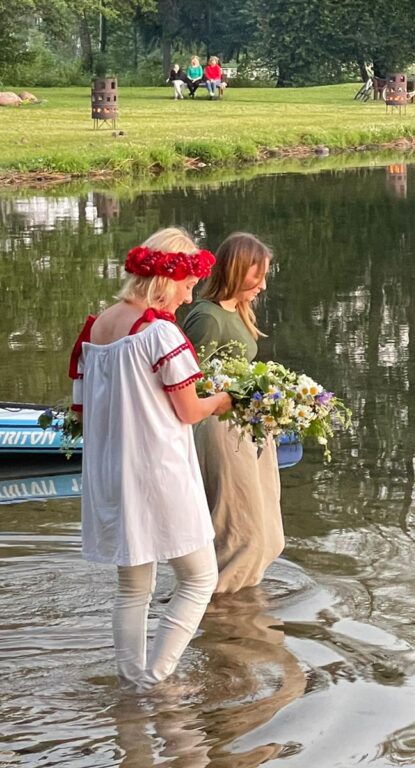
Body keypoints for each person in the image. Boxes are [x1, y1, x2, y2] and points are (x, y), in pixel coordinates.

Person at [70, 227, 232, 693]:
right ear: (167, 278)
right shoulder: (159, 333)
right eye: (186, 285)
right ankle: (156, 681)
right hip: (158, 472)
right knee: (200, 578)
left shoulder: (96, 328)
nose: (188, 296)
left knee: (133, 587)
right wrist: (223, 399)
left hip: (111, 474)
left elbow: (82, 409)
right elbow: (189, 410)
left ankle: (130, 682)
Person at [182, 233, 283, 594]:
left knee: (269, 534)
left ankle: (238, 612)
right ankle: (211, 606)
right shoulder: (206, 317)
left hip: (247, 428)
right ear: (238, 270)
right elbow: (184, 382)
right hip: (218, 430)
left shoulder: (238, 311)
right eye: (258, 276)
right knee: (239, 534)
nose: (263, 285)